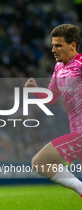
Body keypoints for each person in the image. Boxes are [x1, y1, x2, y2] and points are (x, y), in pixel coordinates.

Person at [25, 24, 82, 197]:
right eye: (52, 45)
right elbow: (52, 97)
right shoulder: (59, 68)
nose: (53, 49)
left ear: (72, 45)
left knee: (40, 162)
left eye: (58, 45)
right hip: (76, 131)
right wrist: (35, 92)